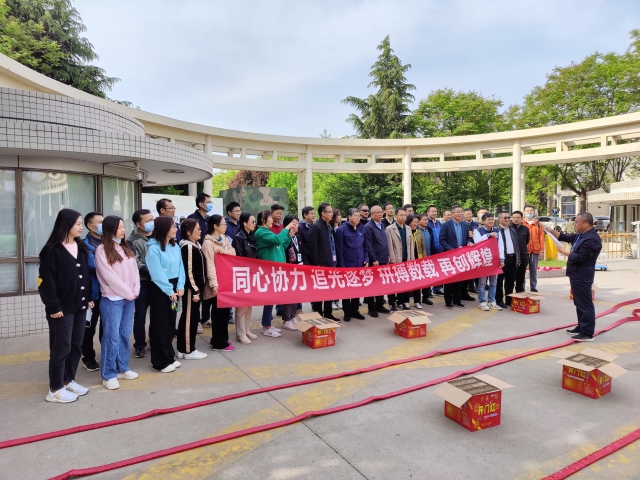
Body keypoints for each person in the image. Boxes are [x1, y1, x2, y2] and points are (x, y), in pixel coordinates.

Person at [38, 209, 93, 403]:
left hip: (80, 306)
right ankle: (55, 388)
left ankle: (68, 379)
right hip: (61, 309)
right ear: (66, 225)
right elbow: (45, 281)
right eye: (77, 223)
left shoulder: (80, 247)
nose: (80, 227)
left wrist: (88, 298)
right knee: (61, 348)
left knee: (76, 345)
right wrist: (53, 306)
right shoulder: (52, 250)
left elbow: (85, 275)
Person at [95, 215, 140, 390]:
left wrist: (135, 290)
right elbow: (109, 277)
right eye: (119, 227)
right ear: (110, 229)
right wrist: (129, 293)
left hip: (129, 299)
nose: (123, 230)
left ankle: (122, 368)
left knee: (124, 335)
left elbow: (135, 271)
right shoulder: (102, 250)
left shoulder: (125, 247)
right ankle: (108, 374)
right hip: (112, 299)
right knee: (111, 337)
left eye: (123, 227)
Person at [546, 213, 602, 342]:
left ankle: (587, 333)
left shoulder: (592, 239)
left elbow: (581, 258)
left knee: (585, 304)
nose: (574, 224)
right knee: (579, 302)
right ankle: (582, 326)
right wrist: (551, 231)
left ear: (585, 223)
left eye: (577, 222)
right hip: (576, 274)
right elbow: (566, 237)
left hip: (582, 275)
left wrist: (565, 252)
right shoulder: (581, 235)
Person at [146, 216, 184, 373]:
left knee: (170, 323)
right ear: (163, 228)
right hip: (160, 289)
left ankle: (169, 356)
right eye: (173, 226)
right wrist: (170, 291)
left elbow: (181, 267)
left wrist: (180, 286)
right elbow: (157, 274)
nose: (176, 229)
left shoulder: (175, 246)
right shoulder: (153, 248)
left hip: (174, 288)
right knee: (159, 325)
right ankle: (159, 362)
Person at [254, 210, 299, 335]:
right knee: (269, 299)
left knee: (272, 298)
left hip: (277, 270)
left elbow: (281, 245)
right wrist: (287, 228)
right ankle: (266, 326)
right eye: (270, 218)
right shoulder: (261, 232)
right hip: (270, 270)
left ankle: (268, 325)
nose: (272, 220)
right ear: (263, 220)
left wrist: (289, 235)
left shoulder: (268, 232)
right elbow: (277, 240)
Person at [202, 215, 236, 351]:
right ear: (215, 226)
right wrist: (214, 284)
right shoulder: (208, 243)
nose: (225, 226)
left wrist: (222, 252)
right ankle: (219, 343)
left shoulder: (223, 238)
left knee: (224, 313)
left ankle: (220, 339)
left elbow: (233, 252)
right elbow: (209, 265)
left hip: (226, 280)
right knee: (218, 314)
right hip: (216, 283)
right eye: (223, 224)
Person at [177, 219, 208, 359]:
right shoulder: (188, 247)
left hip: (196, 289)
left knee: (192, 317)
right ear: (189, 232)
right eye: (198, 228)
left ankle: (183, 348)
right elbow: (188, 271)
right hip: (191, 290)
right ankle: (188, 350)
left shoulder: (196, 245)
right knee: (190, 318)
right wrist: (195, 290)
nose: (200, 231)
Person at [127, 209, 155, 358]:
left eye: (152, 219)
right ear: (139, 224)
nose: (152, 222)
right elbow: (136, 263)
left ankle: (154, 340)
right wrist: (157, 271)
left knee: (157, 315)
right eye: (148, 221)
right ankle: (139, 345)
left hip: (157, 283)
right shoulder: (131, 241)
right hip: (142, 283)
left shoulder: (158, 236)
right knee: (140, 316)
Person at [308, 203, 340, 321]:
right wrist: (317, 264)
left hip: (331, 262)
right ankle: (318, 313)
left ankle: (328, 313)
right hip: (321, 264)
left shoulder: (329, 225)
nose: (332, 214)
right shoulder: (316, 226)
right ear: (323, 214)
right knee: (320, 290)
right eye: (329, 212)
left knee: (330, 290)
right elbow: (313, 247)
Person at [232, 212, 259, 344]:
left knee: (249, 305)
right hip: (243, 275)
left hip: (252, 274)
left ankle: (247, 329)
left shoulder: (252, 236)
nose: (254, 224)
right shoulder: (239, 238)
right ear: (244, 223)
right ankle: (240, 333)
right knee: (242, 306)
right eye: (252, 221)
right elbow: (238, 259)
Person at [439, 205, 474, 309]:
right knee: (449, 280)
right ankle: (448, 301)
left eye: (461, 212)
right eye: (458, 212)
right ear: (452, 213)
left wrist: (468, 243)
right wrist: (452, 250)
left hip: (461, 257)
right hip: (449, 256)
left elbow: (468, 238)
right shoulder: (446, 225)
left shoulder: (465, 225)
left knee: (459, 279)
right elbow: (442, 240)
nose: (460, 214)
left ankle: (457, 301)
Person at [336, 208, 368, 321]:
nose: (358, 217)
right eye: (356, 215)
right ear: (349, 217)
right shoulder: (341, 230)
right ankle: (347, 312)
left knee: (357, 289)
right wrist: (342, 267)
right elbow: (339, 250)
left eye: (359, 215)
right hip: (347, 265)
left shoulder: (362, 229)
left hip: (359, 265)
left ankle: (355, 310)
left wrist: (366, 259)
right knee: (347, 290)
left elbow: (365, 247)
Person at [81, 212, 103, 372]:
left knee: (108, 327)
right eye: (100, 222)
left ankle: (108, 354)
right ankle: (88, 357)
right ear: (90, 226)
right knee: (89, 328)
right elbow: (95, 267)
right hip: (93, 294)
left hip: (109, 293)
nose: (104, 225)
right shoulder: (83, 246)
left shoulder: (110, 242)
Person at [363, 205, 390, 317]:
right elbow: (368, 245)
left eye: (381, 212)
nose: (380, 214)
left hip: (383, 258)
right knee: (372, 285)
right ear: (372, 214)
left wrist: (388, 255)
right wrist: (374, 259)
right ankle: (371, 308)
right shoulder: (368, 227)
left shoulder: (382, 225)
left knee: (380, 284)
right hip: (374, 260)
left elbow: (385, 242)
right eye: (377, 212)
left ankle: (380, 305)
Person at [386, 207, 414, 311]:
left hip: (406, 259)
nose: (403, 217)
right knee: (393, 282)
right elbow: (389, 245)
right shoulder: (390, 229)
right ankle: (392, 303)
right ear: (395, 216)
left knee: (405, 281)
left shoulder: (408, 228)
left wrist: (412, 259)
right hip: (396, 259)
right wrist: (393, 260)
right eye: (401, 215)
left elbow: (411, 245)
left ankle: (404, 301)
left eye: (404, 215)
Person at [473, 213, 502, 311]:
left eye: (492, 219)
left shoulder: (497, 231)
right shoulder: (478, 231)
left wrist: (502, 259)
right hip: (483, 260)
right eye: (489, 220)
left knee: (493, 282)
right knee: (482, 283)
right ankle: (482, 301)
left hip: (494, 260)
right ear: (483, 221)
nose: (491, 221)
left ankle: (491, 301)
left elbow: (501, 245)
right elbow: (477, 241)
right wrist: (488, 235)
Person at [495, 211, 520, 309]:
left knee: (510, 281)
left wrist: (518, 259)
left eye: (509, 217)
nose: (507, 219)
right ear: (499, 219)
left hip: (513, 257)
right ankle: (499, 300)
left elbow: (517, 246)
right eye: (505, 218)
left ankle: (509, 300)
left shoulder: (513, 230)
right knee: (499, 281)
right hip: (502, 259)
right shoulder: (497, 231)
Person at [408, 214, 430, 308]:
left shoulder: (419, 232)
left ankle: (417, 301)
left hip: (418, 260)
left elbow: (423, 246)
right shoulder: (406, 231)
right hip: (408, 260)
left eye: (417, 222)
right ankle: (405, 301)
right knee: (407, 282)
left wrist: (424, 259)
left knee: (417, 281)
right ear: (409, 222)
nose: (416, 224)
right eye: (414, 222)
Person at [523, 205, 545, 293]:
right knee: (522, 270)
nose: (529, 212)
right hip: (524, 250)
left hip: (535, 250)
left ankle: (533, 286)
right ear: (524, 212)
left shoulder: (538, 224)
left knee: (533, 270)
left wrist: (541, 250)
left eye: (531, 211)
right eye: (527, 211)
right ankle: (521, 286)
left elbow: (541, 237)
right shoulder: (521, 223)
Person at [416, 213, 435, 306]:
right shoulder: (416, 231)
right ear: (418, 221)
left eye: (426, 220)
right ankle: (417, 299)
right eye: (424, 220)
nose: (426, 221)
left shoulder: (429, 230)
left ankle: (426, 297)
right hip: (419, 258)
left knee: (427, 278)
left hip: (429, 257)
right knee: (419, 279)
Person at [426, 205, 444, 296]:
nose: (434, 213)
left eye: (435, 211)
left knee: (438, 270)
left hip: (440, 250)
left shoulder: (439, 223)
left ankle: (437, 288)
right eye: (432, 211)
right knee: (429, 271)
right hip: (431, 250)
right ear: (427, 213)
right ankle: (428, 290)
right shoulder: (426, 223)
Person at [511, 211, 530, 293]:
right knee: (511, 277)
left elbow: (527, 241)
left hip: (522, 255)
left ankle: (520, 294)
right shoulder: (509, 228)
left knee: (521, 276)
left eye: (518, 217)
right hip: (512, 256)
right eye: (514, 217)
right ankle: (509, 295)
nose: (516, 219)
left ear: (522, 218)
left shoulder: (525, 229)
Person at [463, 208, 479, 294]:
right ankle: (466, 288)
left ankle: (473, 286)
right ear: (464, 215)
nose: (468, 216)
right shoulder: (462, 224)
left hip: (475, 248)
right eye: (467, 214)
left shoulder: (476, 224)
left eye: (470, 214)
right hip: (465, 248)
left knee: (474, 268)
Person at [330, 209, 342, 311]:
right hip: (332, 257)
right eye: (338, 215)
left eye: (340, 215)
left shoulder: (341, 228)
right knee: (332, 280)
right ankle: (332, 301)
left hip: (340, 256)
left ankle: (337, 299)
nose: (340, 217)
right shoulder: (330, 229)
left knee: (338, 280)